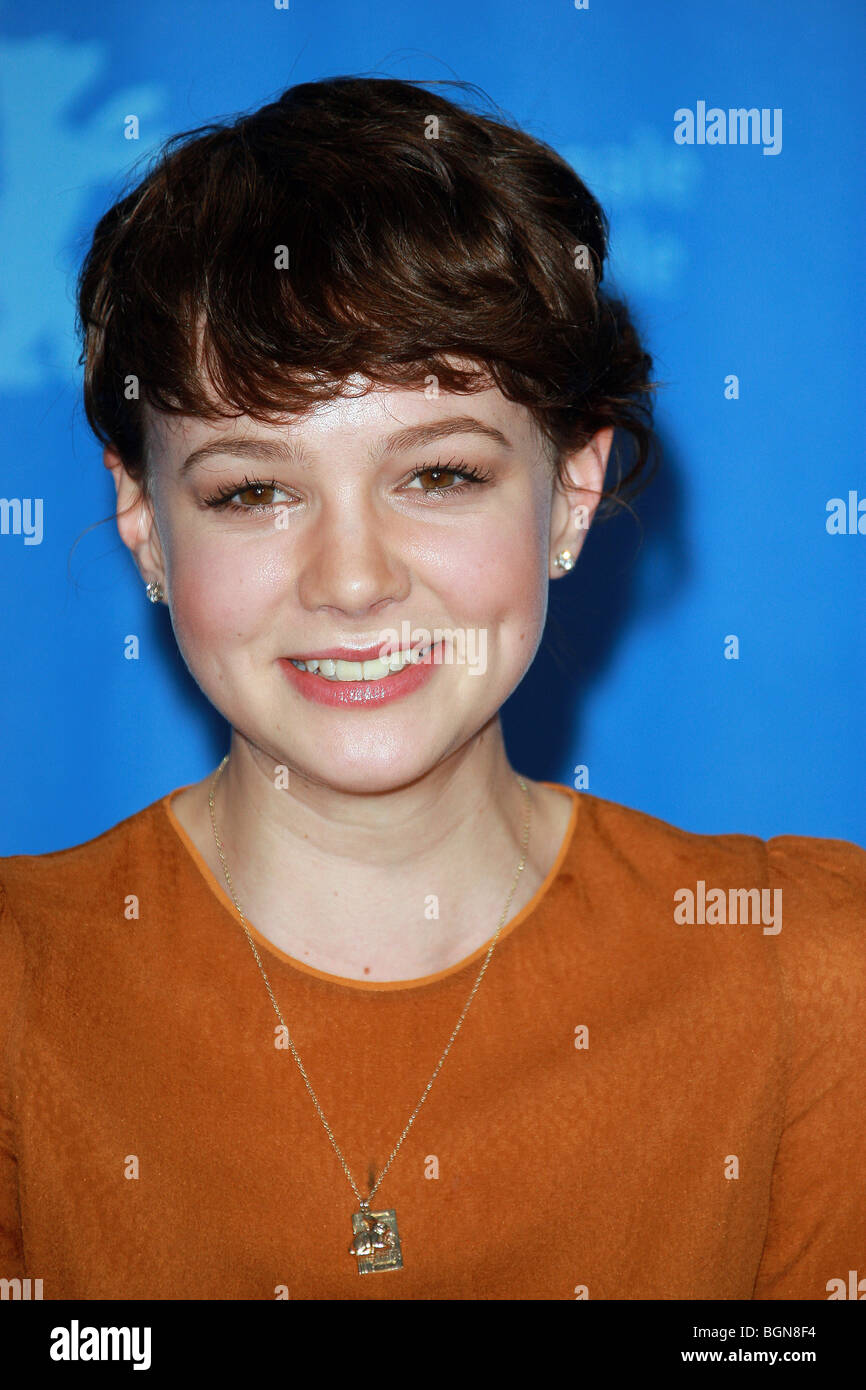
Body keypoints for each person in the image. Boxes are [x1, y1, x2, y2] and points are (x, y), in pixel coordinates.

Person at [1, 75, 863, 1302]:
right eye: (253, 489)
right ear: (142, 519)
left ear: (569, 491)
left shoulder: (812, 972)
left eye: (439, 475)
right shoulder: (18, 987)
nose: (350, 581)